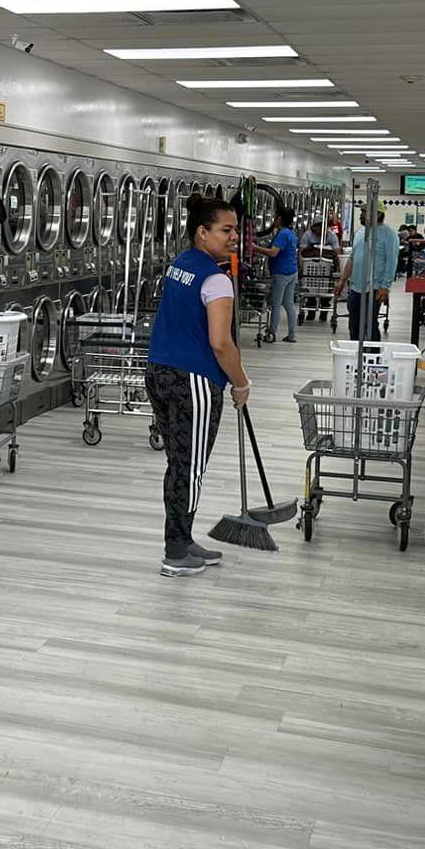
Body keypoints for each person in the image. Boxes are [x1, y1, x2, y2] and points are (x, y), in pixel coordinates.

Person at [145, 194, 252, 579]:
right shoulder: (216, 280)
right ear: (202, 232)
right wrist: (240, 383)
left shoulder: (180, 265)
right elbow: (221, 343)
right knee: (189, 468)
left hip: (159, 371)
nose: (234, 236)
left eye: (235, 229)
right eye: (226, 230)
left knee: (179, 463)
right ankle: (175, 551)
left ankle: (184, 537)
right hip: (194, 380)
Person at [334, 209, 398, 341]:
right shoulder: (360, 233)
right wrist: (342, 281)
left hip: (374, 288)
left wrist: (385, 286)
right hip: (356, 287)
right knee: (354, 325)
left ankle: (373, 352)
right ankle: (355, 351)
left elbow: (391, 262)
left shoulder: (389, 235)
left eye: (365, 211)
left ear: (378, 214)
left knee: (370, 325)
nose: (361, 214)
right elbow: (352, 259)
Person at [265, 206, 300, 343]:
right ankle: (292, 334)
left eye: (274, 217)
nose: (273, 219)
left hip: (281, 273)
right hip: (292, 271)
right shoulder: (290, 233)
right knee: (288, 303)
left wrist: (255, 248)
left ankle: (271, 333)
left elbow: (273, 253)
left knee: (276, 303)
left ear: (279, 218)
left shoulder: (283, 234)